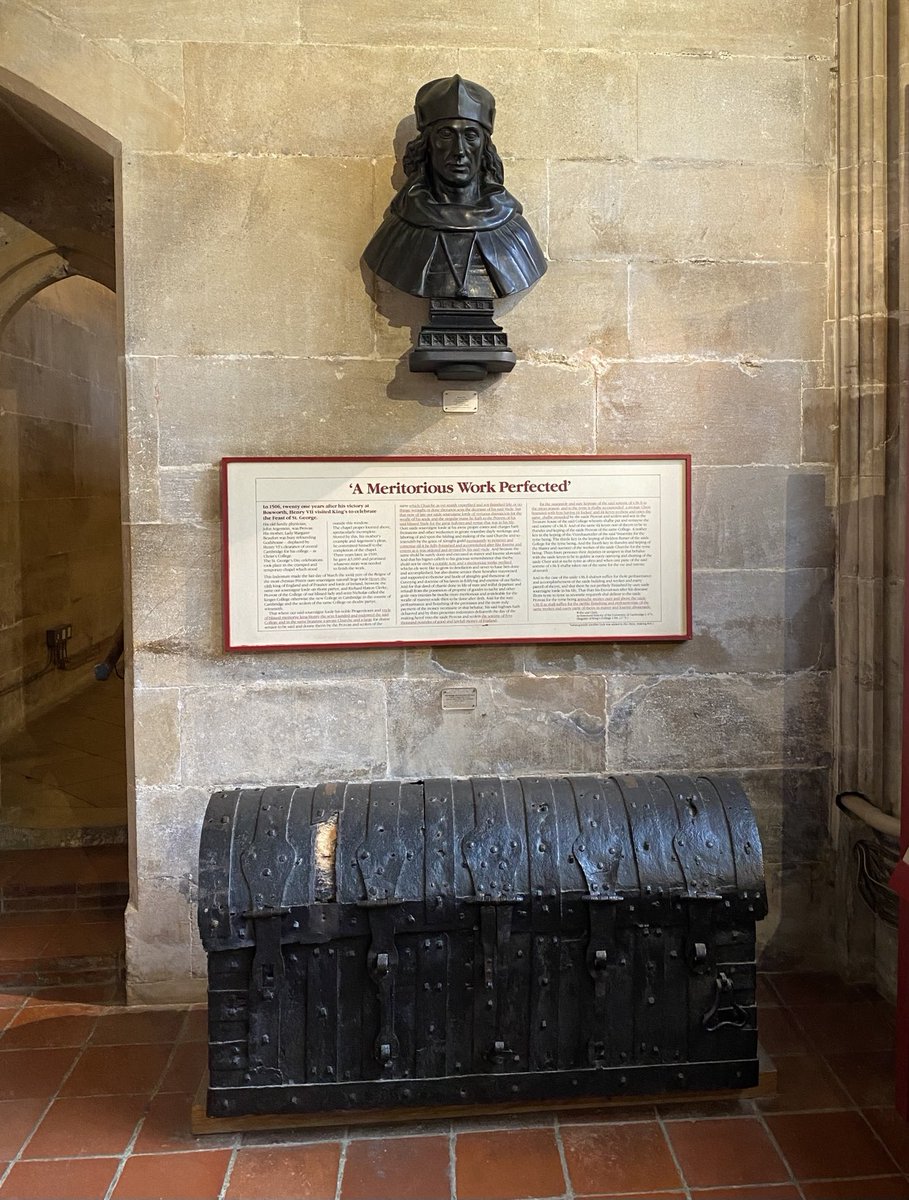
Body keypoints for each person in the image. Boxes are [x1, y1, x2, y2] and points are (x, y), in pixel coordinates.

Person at [363, 75, 547, 300]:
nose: (459, 150)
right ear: (427, 146)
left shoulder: (515, 233)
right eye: (446, 134)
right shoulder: (397, 233)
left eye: (470, 136)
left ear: (484, 148)